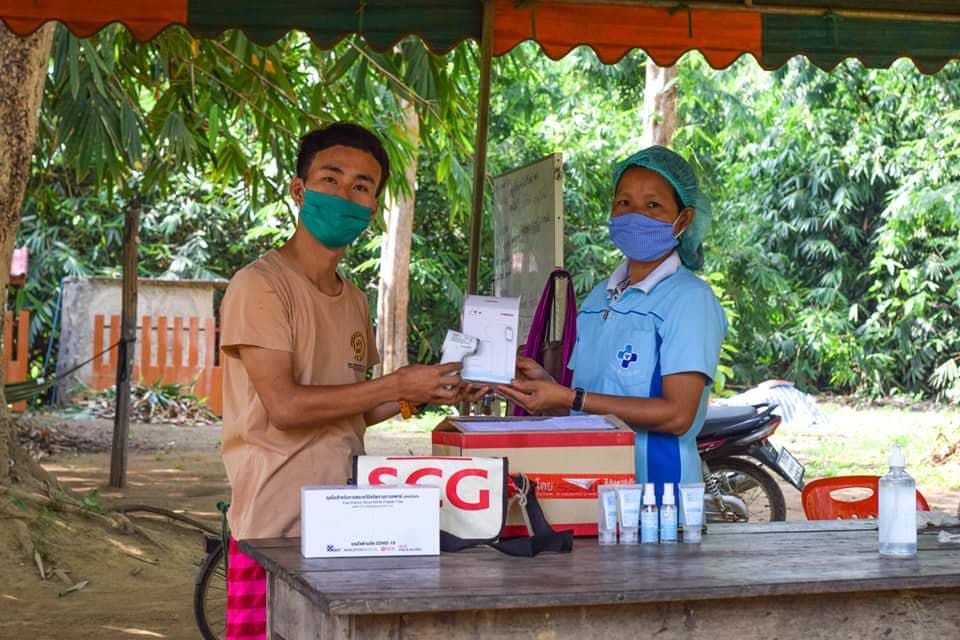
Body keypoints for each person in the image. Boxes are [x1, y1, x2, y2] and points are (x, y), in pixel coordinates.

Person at [219, 122, 484, 640]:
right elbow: (286, 408)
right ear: (299, 190)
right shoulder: (260, 285)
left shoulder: (354, 299)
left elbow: (351, 412)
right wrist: (395, 385)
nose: (345, 194)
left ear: (373, 206)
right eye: (331, 178)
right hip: (271, 531)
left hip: (344, 521)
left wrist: (424, 394)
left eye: (361, 186)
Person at [498, 145, 727, 491]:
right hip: (591, 490)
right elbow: (586, 405)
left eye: (653, 205)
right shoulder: (598, 298)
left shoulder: (690, 300)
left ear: (683, 220)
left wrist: (569, 397)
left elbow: (678, 415)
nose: (635, 215)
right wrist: (546, 388)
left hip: (658, 498)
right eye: (624, 203)